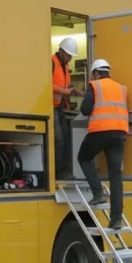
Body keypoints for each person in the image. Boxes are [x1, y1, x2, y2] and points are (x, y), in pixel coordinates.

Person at [77, 59, 129, 230]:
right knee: (116, 175)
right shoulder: (121, 88)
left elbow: (85, 109)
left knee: (83, 157)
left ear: (96, 73)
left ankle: (98, 192)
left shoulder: (95, 85)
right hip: (119, 133)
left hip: (100, 131)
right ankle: (116, 219)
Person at [52, 37, 82, 179]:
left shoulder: (65, 66)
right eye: (69, 55)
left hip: (59, 109)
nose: (70, 58)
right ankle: (56, 171)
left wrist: (72, 90)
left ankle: (64, 170)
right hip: (49, 108)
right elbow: (46, 84)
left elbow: (63, 85)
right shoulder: (52, 63)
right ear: (62, 51)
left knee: (66, 138)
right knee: (58, 139)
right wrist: (64, 92)